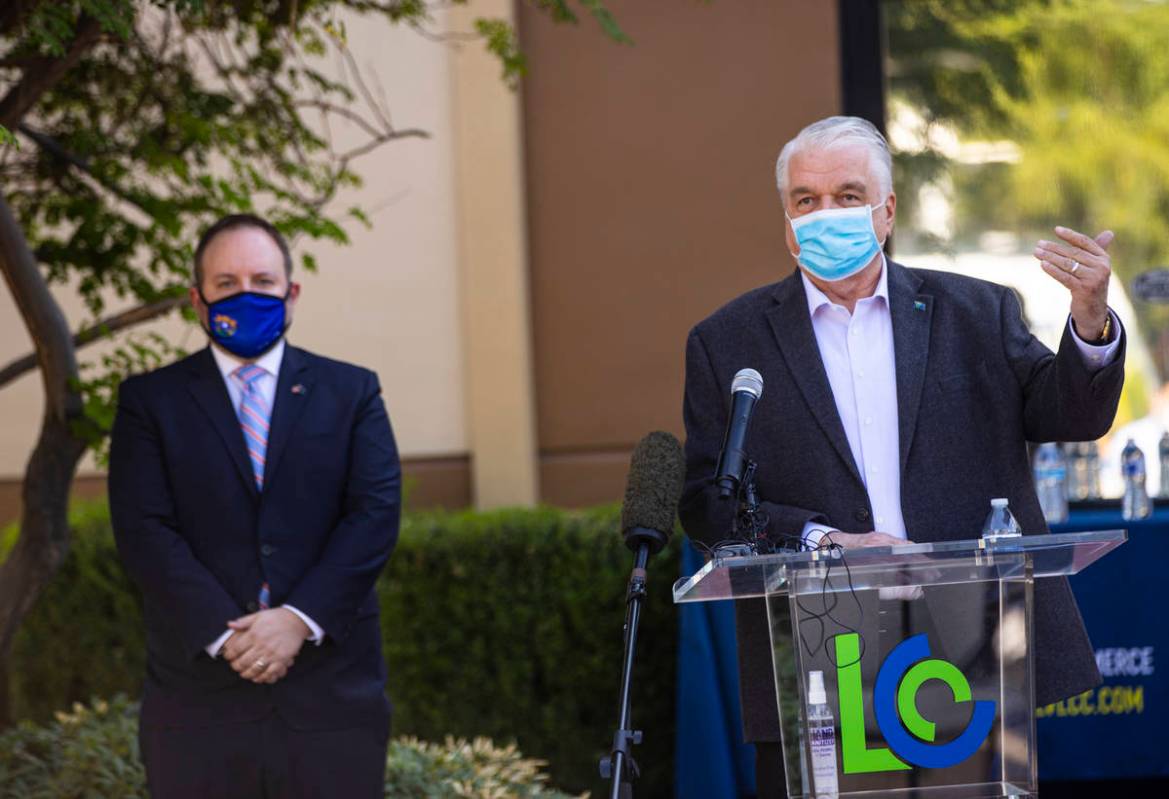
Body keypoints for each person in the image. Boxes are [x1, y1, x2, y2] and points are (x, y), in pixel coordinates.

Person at [678, 116, 1124, 798]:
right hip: (818, 644)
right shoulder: (728, 341)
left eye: (847, 195)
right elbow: (707, 499)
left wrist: (1090, 322)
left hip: (962, 637)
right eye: (805, 200)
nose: (824, 214)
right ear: (786, 220)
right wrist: (822, 540)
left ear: (885, 212)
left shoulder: (974, 311)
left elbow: (1069, 413)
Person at [109, 213, 401, 798]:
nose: (247, 294)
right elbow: (144, 529)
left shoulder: (353, 392)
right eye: (226, 283)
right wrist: (234, 638)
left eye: (263, 281)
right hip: (198, 704)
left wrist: (296, 622)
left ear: (290, 295)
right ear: (198, 300)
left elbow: (374, 514)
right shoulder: (149, 402)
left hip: (331, 703)